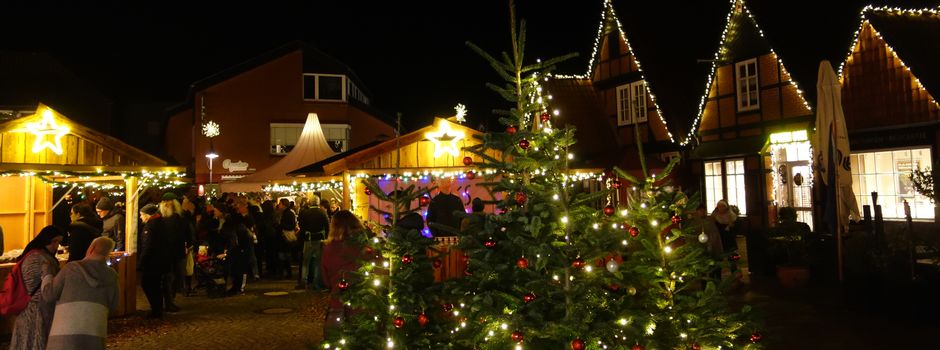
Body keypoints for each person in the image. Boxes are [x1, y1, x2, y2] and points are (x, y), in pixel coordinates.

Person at [44, 237, 119, 350]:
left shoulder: (71, 269)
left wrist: (47, 274)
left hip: (63, 337)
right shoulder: (112, 275)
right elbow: (114, 305)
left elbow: (49, 295)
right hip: (94, 336)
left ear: (91, 249)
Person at [10, 226, 64, 350]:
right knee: (35, 341)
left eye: (58, 242)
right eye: (54, 241)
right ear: (46, 240)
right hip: (38, 309)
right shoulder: (41, 259)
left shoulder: (32, 254)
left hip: (27, 309)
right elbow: (47, 287)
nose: (56, 246)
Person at [320, 210, 367, 332]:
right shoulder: (365, 247)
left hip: (338, 302)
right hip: (363, 302)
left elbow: (325, 280)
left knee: (335, 337)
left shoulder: (328, 248)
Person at [138, 203, 170, 319]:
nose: (140, 217)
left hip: (152, 262)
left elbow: (148, 246)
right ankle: (158, 309)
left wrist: (141, 262)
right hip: (161, 260)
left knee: (148, 284)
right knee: (156, 285)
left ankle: (156, 309)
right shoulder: (162, 223)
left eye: (141, 215)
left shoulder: (150, 226)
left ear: (147, 215)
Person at [297, 195, 329, 290]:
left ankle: (304, 281)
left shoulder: (305, 213)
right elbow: (327, 227)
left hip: (308, 239)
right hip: (319, 239)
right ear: (318, 203)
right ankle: (316, 282)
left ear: (310, 202)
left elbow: (302, 227)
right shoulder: (322, 213)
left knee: (306, 261)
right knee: (317, 262)